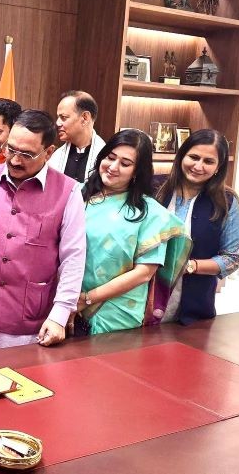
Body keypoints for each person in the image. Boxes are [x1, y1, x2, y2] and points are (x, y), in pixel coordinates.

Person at [0, 110, 86, 349]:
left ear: (48, 152)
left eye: (27, 154)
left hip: (32, 319)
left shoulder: (68, 192)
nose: (14, 160)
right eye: (11, 149)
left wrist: (60, 315)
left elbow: (73, 257)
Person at [73, 129, 189, 335]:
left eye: (125, 164)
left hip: (116, 312)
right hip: (67, 301)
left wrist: (87, 299)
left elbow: (144, 273)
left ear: (137, 172)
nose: (113, 167)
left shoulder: (151, 214)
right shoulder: (78, 195)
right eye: (110, 158)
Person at [156, 129, 239, 324]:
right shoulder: (154, 187)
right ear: (181, 156)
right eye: (193, 157)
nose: (198, 166)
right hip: (139, 300)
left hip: (192, 310)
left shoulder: (226, 202)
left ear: (218, 167)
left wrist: (190, 266)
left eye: (208, 161)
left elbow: (233, 258)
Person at [50, 90, 106, 183]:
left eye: (63, 117)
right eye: (58, 117)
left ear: (85, 118)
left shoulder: (106, 158)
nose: (57, 123)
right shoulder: (55, 157)